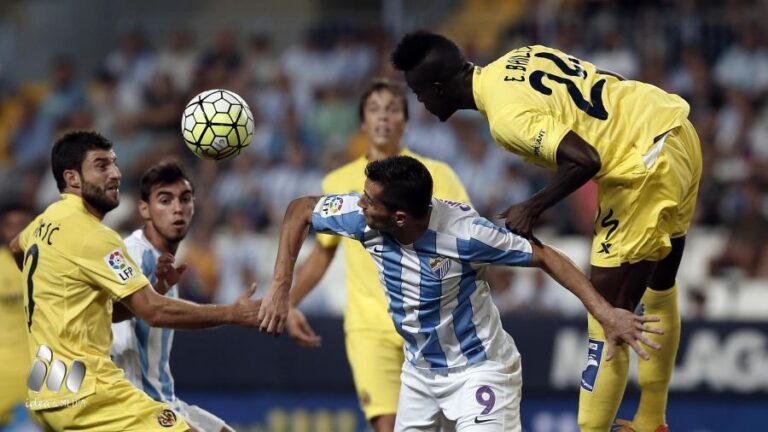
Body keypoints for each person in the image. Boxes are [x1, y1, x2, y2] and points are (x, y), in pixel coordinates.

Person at [391, 31, 702, 432]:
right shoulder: (518, 58)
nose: (421, 103)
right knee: (661, 283)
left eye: (419, 94)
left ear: (438, 88)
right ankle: (651, 420)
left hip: (641, 164)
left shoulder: (505, 120)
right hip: (670, 125)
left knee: (607, 315)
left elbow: (585, 160)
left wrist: (532, 207)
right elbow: (598, 77)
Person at [257, 155, 662, 431]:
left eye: (368, 199)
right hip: (419, 373)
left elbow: (546, 257)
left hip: (480, 370)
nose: (359, 203)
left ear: (399, 217)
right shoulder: (361, 217)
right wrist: (280, 287)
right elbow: (301, 210)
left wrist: (606, 313)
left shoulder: (465, 235)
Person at [9, 131, 262, 432]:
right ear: (72, 178)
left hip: (47, 393)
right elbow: (153, 312)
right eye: (101, 166)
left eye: (114, 164)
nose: (115, 174)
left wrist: (52, 293)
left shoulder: (44, 222)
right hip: (92, 393)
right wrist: (231, 313)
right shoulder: (94, 236)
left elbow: (16, 246)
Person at [285, 78, 470, 432]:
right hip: (369, 326)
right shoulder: (338, 181)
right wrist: (288, 302)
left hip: (433, 325)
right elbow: (323, 253)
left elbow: (465, 239)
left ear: (405, 120)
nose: (383, 117)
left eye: (392, 109)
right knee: (387, 426)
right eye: (374, 109)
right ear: (362, 122)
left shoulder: (438, 175)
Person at [110, 161, 233, 432]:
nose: (178, 208)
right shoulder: (131, 253)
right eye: (165, 200)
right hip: (135, 404)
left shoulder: (166, 265)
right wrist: (234, 313)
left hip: (164, 399)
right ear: (144, 208)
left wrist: (160, 290)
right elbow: (117, 316)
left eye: (185, 199)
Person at [0, 203, 34, 428]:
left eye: (23, 226)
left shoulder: (51, 268)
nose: (17, 233)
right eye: (11, 226)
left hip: (41, 378)